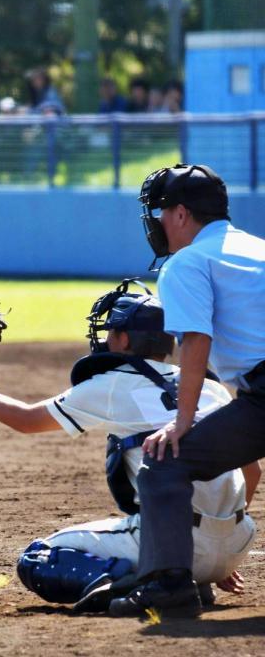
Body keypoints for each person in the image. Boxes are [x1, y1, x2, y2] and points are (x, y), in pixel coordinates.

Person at [0, 280, 256, 613]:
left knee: (38, 559)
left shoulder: (112, 384)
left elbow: (24, 419)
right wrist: (221, 545)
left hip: (178, 546)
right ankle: (188, 576)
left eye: (111, 330)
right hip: (237, 543)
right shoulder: (209, 387)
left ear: (124, 339)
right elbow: (251, 471)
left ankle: (151, 582)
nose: (105, 337)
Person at [107, 164, 265, 618]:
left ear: (180, 214)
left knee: (164, 465)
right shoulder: (255, 249)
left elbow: (195, 340)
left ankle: (168, 587)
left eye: (158, 211)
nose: (155, 222)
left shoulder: (188, 261)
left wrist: (181, 421)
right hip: (257, 397)